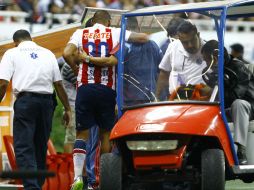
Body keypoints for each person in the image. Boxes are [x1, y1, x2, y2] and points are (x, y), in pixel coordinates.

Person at [63, 10, 148, 190]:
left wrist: (77, 66)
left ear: (92, 20)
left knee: (82, 135)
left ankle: (78, 177)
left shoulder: (80, 33)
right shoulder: (115, 32)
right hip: (106, 89)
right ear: (108, 22)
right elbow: (142, 38)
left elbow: (66, 52)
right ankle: (103, 178)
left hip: (85, 88)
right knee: (105, 135)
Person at [0, 29, 71, 189]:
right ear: (31, 39)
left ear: (15, 42)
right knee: (40, 145)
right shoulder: (48, 53)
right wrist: (67, 109)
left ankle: (32, 187)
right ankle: (37, 184)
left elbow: (3, 83)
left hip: (26, 102)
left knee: (24, 146)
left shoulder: (12, 53)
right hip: (47, 103)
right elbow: (58, 84)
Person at [201, 40, 254, 165]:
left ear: (215, 57)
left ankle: (241, 149)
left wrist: (221, 84)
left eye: (207, 60)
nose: (206, 64)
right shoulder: (215, 72)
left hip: (248, 107)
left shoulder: (239, 67)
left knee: (238, 104)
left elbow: (236, 96)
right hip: (230, 109)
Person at [155, 19, 207, 101]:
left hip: (201, 102)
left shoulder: (208, 49)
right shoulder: (172, 47)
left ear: (198, 34)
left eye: (192, 40)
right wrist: (156, 97)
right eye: (185, 42)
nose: (190, 45)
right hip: (175, 101)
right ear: (179, 39)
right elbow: (164, 73)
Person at [123, 17, 163, 105]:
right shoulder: (153, 45)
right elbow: (162, 71)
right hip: (150, 97)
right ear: (139, 28)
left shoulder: (123, 47)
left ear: (125, 31)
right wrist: (157, 95)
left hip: (128, 101)